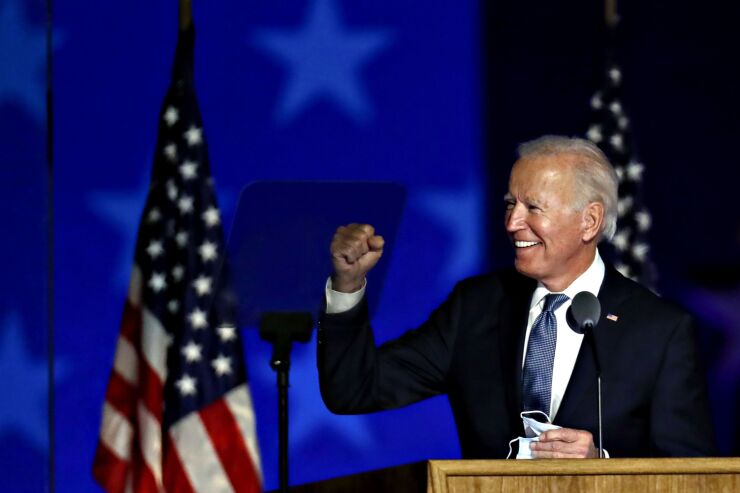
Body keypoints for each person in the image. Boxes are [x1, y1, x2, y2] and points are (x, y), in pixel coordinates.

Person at [317, 135, 716, 458]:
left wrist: (603, 466)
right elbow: (355, 390)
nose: (512, 223)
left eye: (533, 207)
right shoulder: (474, 308)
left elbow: (693, 475)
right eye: (510, 204)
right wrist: (347, 286)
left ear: (589, 221)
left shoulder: (660, 331)